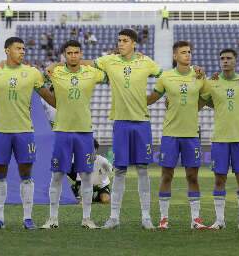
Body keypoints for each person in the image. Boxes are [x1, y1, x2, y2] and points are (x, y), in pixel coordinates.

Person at [46, 29, 174, 230]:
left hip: (142, 122)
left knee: (142, 170)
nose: (120, 43)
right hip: (120, 123)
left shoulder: (146, 61)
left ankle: (146, 217)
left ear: (134, 43)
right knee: (121, 171)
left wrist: (153, 98)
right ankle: (114, 217)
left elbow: (166, 77)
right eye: (119, 40)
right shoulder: (108, 61)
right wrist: (58, 64)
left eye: (125, 40)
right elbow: (84, 62)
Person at [0, 37, 55, 230]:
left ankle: (28, 218)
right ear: (7, 50)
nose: (22, 51)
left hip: (24, 130)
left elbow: (48, 97)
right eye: (18, 48)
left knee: (26, 172)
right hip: (1, 130)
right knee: (0, 172)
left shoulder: (32, 73)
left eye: (24, 48)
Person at [41, 40, 106, 230]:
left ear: (81, 53)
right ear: (64, 55)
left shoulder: (90, 73)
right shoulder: (57, 72)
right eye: (69, 53)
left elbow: (106, 72)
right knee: (57, 175)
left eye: (76, 52)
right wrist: (59, 65)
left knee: (86, 175)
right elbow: (44, 75)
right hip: (62, 130)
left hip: (84, 132)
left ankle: (86, 218)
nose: (73, 56)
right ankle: (53, 219)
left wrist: (86, 62)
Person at [147, 41, 208, 230]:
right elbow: (152, 98)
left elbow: (205, 98)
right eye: (183, 52)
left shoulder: (199, 76)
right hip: (170, 134)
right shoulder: (165, 77)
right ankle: (164, 218)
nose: (187, 55)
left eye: (189, 52)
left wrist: (191, 110)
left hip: (191, 134)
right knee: (166, 176)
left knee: (193, 176)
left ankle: (195, 219)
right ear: (175, 56)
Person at [201, 49, 239, 229]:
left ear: (235, 61)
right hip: (220, 139)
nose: (225, 61)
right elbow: (201, 104)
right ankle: (220, 220)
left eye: (229, 58)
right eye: (222, 58)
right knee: (219, 179)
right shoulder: (212, 82)